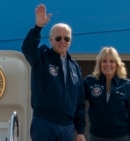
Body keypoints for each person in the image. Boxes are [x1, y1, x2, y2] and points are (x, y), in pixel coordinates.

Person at [21, 4, 86, 141]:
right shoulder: (42, 57)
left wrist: (80, 130)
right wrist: (38, 27)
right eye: (58, 38)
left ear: (70, 41)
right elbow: (27, 49)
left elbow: (80, 102)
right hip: (44, 122)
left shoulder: (75, 67)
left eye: (66, 38)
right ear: (51, 39)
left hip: (67, 126)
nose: (62, 41)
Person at [83, 47, 130, 141]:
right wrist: (79, 130)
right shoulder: (89, 82)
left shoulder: (127, 85)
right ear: (99, 64)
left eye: (112, 61)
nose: (108, 64)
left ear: (117, 64)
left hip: (121, 137)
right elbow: (78, 105)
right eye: (104, 61)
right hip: (96, 136)